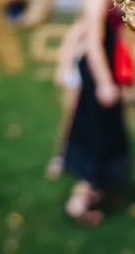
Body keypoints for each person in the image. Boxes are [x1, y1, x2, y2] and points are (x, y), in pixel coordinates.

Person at [62, 0, 132, 225]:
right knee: (97, 136)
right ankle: (78, 201)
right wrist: (104, 83)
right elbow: (92, 47)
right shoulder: (96, 3)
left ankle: (93, 191)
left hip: (105, 74)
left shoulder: (111, 1)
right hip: (96, 78)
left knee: (106, 132)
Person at [46, 18, 85, 178]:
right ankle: (61, 156)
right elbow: (67, 50)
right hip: (77, 80)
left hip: (89, 79)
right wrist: (63, 70)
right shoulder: (80, 27)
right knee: (71, 119)